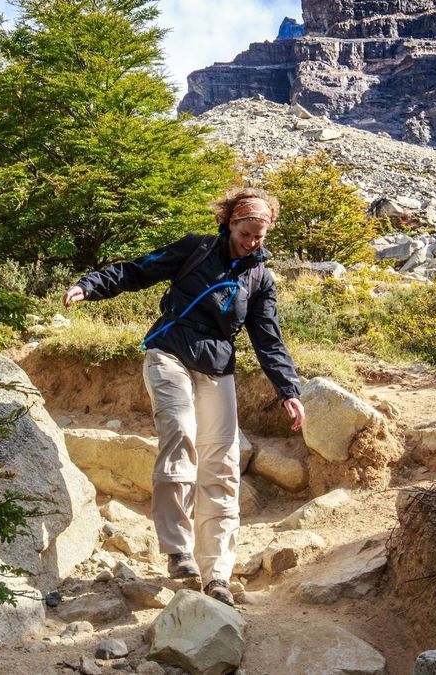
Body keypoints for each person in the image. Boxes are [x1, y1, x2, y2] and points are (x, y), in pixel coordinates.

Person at [61, 187, 305, 606]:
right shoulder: (196, 249)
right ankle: (177, 550)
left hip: (217, 365)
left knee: (224, 463)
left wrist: (288, 390)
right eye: (245, 233)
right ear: (231, 223)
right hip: (169, 351)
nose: (251, 242)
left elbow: (268, 338)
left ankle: (218, 573)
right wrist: (91, 285)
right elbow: (139, 270)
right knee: (180, 431)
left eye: (259, 237)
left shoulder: (260, 279)